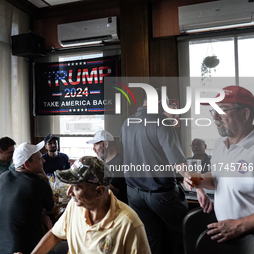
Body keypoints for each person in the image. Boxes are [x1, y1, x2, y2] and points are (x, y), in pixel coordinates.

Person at [120, 88, 212, 254]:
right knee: (183, 235)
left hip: (134, 194)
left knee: (150, 240)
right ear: (160, 103)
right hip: (160, 194)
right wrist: (199, 188)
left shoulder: (127, 122)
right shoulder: (161, 121)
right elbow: (180, 164)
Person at [31, 156, 151, 254]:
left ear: (99, 191)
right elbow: (55, 234)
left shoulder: (129, 224)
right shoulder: (75, 206)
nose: (69, 193)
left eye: (77, 188)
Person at [184, 85, 254, 243]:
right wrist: (197, 180)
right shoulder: (220, 145)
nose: (214, 116)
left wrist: (239, 225)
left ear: (245, 114)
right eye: (213, 110)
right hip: (228, 237)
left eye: (222, 110)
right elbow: (218, 178)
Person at [0, 141, 55, 254]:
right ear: (27, 165)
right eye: (39, 159)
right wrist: (46, 181)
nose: (43, 160)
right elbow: (51, 208)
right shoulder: (38, 183)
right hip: (20, 251)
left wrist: (40, 215)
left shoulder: (3, 177)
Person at [86, 130, 128, 203]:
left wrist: (90, 178)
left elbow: (114, 191)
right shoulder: (102, 161)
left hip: (116, 207)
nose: (93, 149)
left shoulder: (119, 163)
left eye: (96, 145)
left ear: (106, 144)